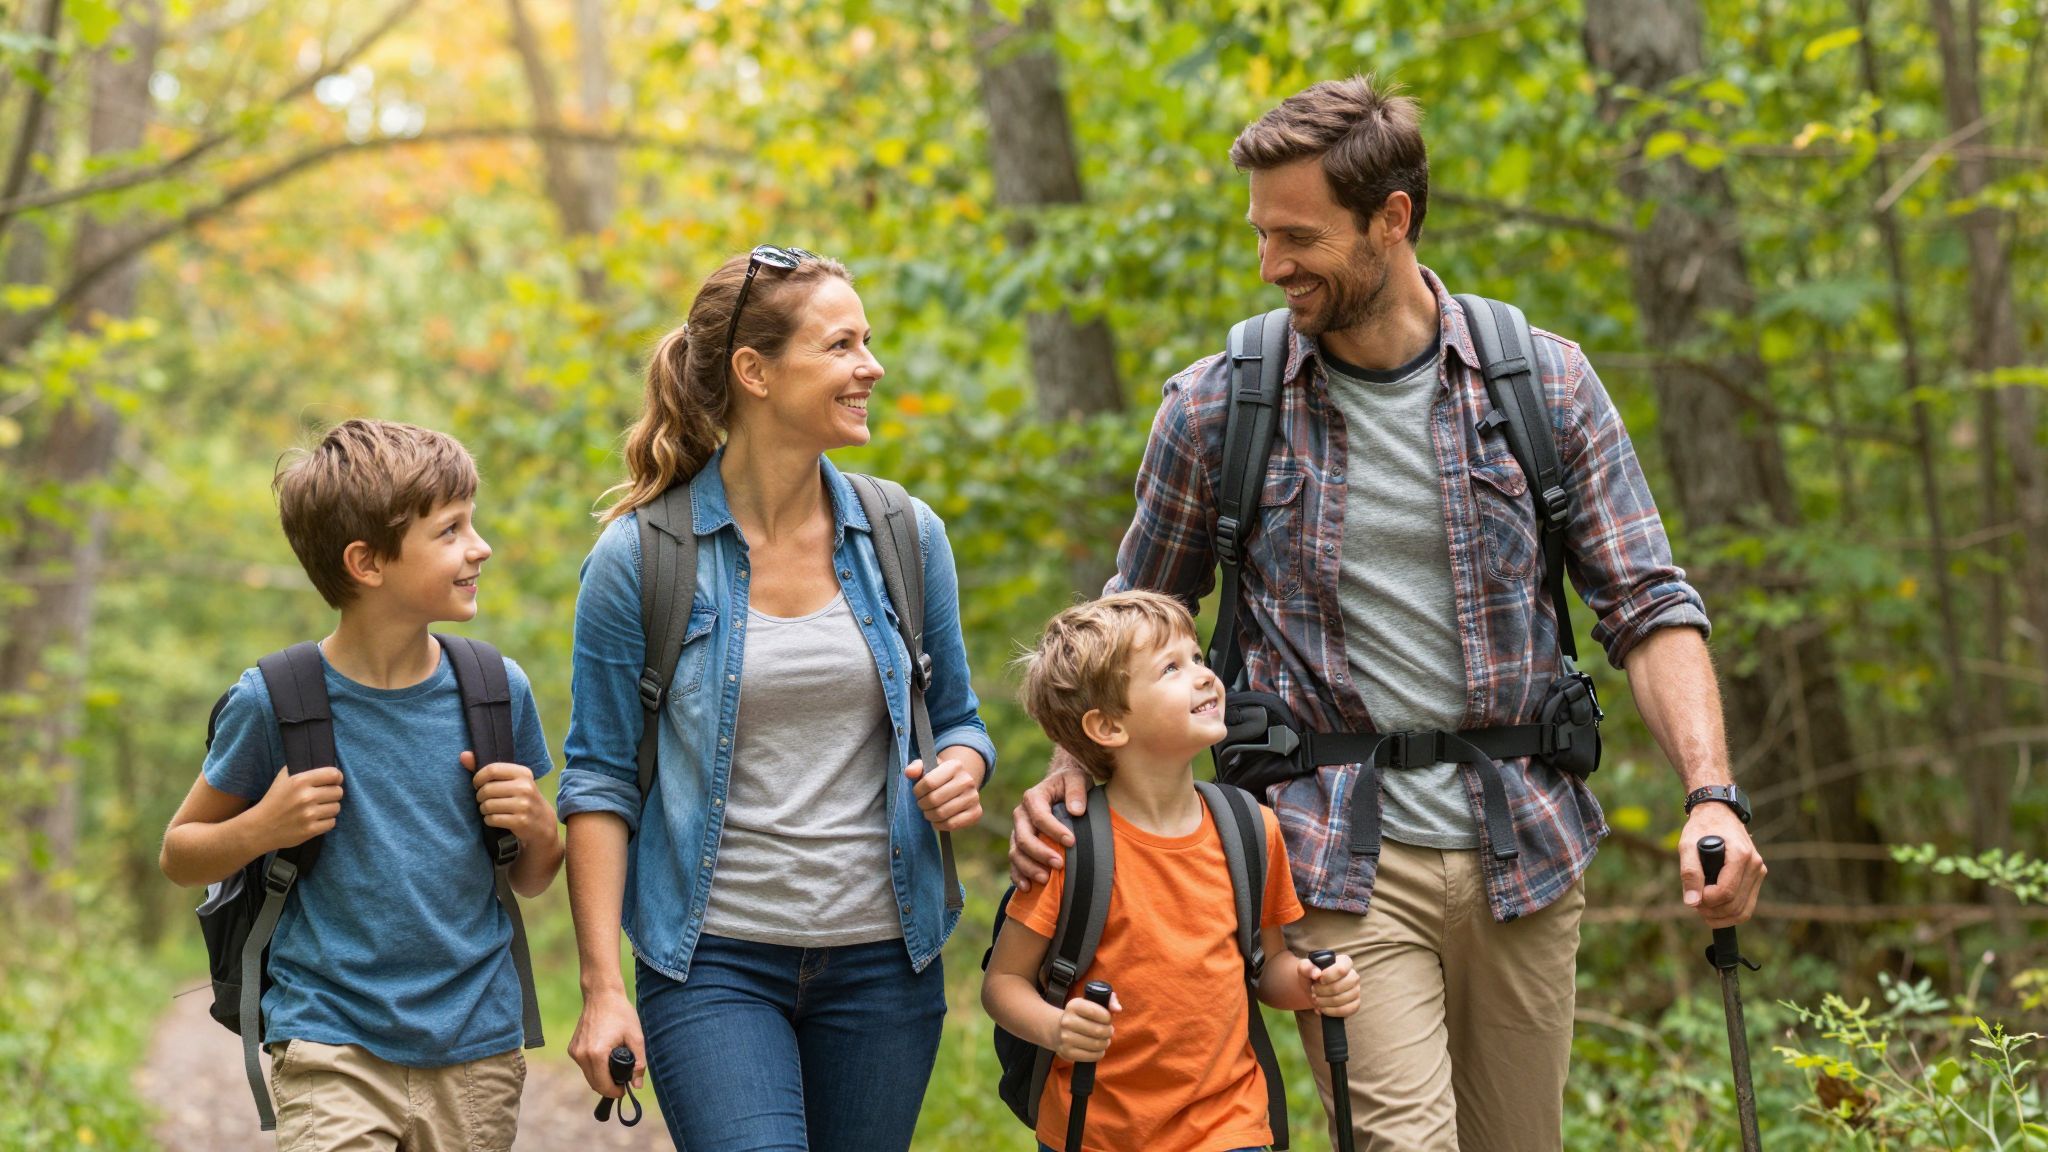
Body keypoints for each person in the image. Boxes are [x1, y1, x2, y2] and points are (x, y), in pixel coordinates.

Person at [1008, 77, 1768, 1152]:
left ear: (1392, 219)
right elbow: (1130, 623)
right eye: (1260, 233)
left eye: (1297, 236)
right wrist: (1068, 769)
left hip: (1525, 846)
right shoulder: (1218, 405)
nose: (1271, 264)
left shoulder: (1540, 384)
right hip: (1329, 853)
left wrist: (1710, 797)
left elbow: (1646, 603)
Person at [557, 246, 996, 1151]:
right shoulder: (641, 559)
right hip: (713, 963)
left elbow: (959, 717)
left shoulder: (906, 536)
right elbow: (598, 781)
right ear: (755, 372)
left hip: (886, 961)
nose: (870, 367)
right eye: (840, 346)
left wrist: (961, 766)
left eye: (866, 342)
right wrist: (603, 988)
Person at [160, 418, 560, 1151]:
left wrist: (538, 828)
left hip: (475, 1044)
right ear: (367, 563)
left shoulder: (495, 692)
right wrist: (262, 828)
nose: (481, 547)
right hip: (326, 1039)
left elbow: (533, 879)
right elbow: (181, 852)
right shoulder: (273, 699)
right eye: (451, 531)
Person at [986, 590, 1361, 1152]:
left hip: (1227, 1123)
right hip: (1095, 1129)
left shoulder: (1249, 828)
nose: (1205, 677)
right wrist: (1056, 1029)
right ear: (1109, 726)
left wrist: (1308, 984)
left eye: (1197, 658)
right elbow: (1003, 984)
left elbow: (1268, 968)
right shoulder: (1069, 846)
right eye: (1171, 668)